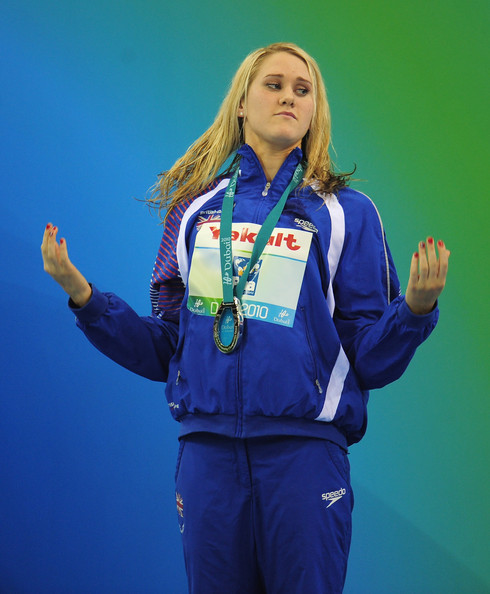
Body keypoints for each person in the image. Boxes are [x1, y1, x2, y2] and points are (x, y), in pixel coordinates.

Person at [41, 42, 450, 594]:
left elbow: (368, 358)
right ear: (241, 102)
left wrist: (414, 311)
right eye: (273, 85)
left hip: (304, 458)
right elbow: (169, 345)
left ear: (315, 110)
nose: (289, 98)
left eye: (302, 90)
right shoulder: (194, 211)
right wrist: (85, 298)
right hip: (207, 459)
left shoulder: (346, 212)